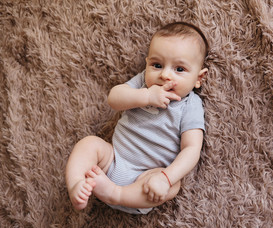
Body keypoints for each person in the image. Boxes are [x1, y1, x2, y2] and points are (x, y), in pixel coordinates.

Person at [65, 22, 209, 214]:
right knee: (88, 144)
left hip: (146, 179)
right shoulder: (143, 83)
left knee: (174, 186)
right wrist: (146, 96)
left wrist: (165, 178)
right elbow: (114, 98)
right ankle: (77, 185)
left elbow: (192, 149)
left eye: (179, 69)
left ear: (199, 78)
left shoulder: (190, 105)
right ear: (147, 63)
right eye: (157, 65)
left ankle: (116, 194)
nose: (165, 75)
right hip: (112, 161)